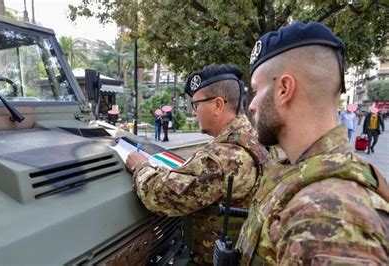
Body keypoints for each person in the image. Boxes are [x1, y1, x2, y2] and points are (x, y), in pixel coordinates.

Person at [237, 22, 389, 265]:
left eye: (256, 89)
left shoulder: (328, 216)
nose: (252, 104)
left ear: (283, 89)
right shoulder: (302, 173)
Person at [125, 64, 272, 264]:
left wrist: (139, 167)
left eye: (196, 105)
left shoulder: (222, 157)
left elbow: (161, 196)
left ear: (218, 105)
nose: (194, 113)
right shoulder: (253, 138)